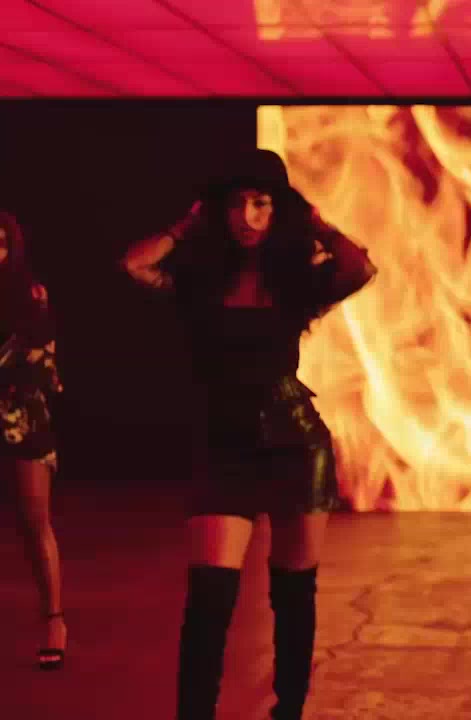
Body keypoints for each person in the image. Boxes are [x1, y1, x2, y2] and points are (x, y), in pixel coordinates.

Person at [120, 149, 377, 720]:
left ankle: (288, 712)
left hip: (297, 445)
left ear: (278, 209)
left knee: (294, 594)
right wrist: (185, 225)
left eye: (261, 203)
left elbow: (359, 268)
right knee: (209, 598)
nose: (247, 216)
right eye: (236, 204)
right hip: (224, 445)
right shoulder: (198, 277)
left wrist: (313, 219)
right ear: (219, 209)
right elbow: (135, 264)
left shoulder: (295, 278)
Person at [0, 211, 68, 671]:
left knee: (34, 522)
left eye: (1, 243)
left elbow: (44, 367)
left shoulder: (30, 296)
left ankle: (54, 621)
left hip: (21, 416)